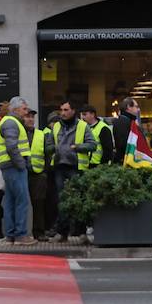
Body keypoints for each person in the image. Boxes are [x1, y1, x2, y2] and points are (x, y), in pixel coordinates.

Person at [50, 100, 95, 242]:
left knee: (78, 199)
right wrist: (54, 149)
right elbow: (50, 144)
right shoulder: (56, 126)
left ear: (73, 111)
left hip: (76, 168)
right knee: (62, 200)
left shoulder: (82, 126)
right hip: (60, 167)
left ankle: (81, 232)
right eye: (61, 110)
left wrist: (77, 147)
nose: (62, 113)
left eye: (66, 110)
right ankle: (62, 232)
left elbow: (92, 145)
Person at [0, 96, 35, 244]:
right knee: (22, 200)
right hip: (14, 166)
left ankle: (11, 234)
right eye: (24, 109)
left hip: (9, 166)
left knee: (11, 201)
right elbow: (12, 147)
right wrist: (21, 164)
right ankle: (20, 235)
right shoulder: (12, 123)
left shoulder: (9, 122)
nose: (26, 112)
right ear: (15, 109)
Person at [27, 111, 55, 240]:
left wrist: (44, 172)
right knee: (21, 204)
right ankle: (20, 233)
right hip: (22, 173)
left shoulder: (40, 134)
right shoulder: (19, 134)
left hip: (38, 174)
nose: (31, 119)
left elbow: (48, 154)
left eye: (32, 117)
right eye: (28, 116)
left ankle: (39, 232)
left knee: (39, 204)